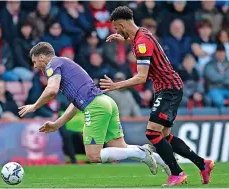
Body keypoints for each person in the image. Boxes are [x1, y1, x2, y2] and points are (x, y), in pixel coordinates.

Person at [100, 6, 214, 186]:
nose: (116, 31)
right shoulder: (141, 34)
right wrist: (123, 38)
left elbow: (141, 77)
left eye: (116, 28)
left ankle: (177, 173)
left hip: (168, 88)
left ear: (122, 23)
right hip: (168, 87)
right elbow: (137, 41)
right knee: (165, 136)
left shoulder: (141, 42)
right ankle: (202, 163)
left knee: (152, 133)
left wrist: (116, 85)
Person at [18, 42, 171, 176]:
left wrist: (34, 106)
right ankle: (164, 161)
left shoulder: (53, 64)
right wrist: (57, 124)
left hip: (96, 106)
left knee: (93, 156)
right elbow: (75, 105)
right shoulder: (66, 66)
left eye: (35, 61)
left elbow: (51, 90)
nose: (35, 66)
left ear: (42, 57)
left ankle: (142, 153)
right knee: (120, 148)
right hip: (106, 102)